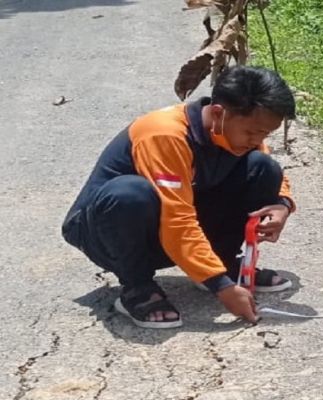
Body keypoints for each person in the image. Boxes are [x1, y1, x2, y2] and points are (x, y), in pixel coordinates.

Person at [62, 66, 297, 329]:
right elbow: (176, 218)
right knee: (131, 194)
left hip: (166, 229)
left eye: (265, 134)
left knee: (263, 167)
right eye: (253, 133)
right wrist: (222, 288)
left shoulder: (236, 133)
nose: (258, 140)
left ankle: (221, 263)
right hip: (106, 233)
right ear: (218, 114)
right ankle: (137, 287)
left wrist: (282, 204)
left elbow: (270, 171)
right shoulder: (164, 134)